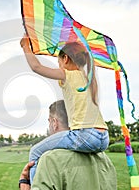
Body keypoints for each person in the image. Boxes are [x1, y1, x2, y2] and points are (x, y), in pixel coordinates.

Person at [20, 35, 109, 183]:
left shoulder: (67, 74)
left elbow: (37, 67)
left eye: (59, 62)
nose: (59, 66)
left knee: (35, 152)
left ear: (65, 59)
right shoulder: (89, 79)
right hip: (103, 137)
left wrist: (25, 46)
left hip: (84, 135)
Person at [19, 100, 117, 190]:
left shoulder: (49, 159)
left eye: (49, 121)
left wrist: (25, 184)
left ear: (54, 122)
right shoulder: (104, 158)